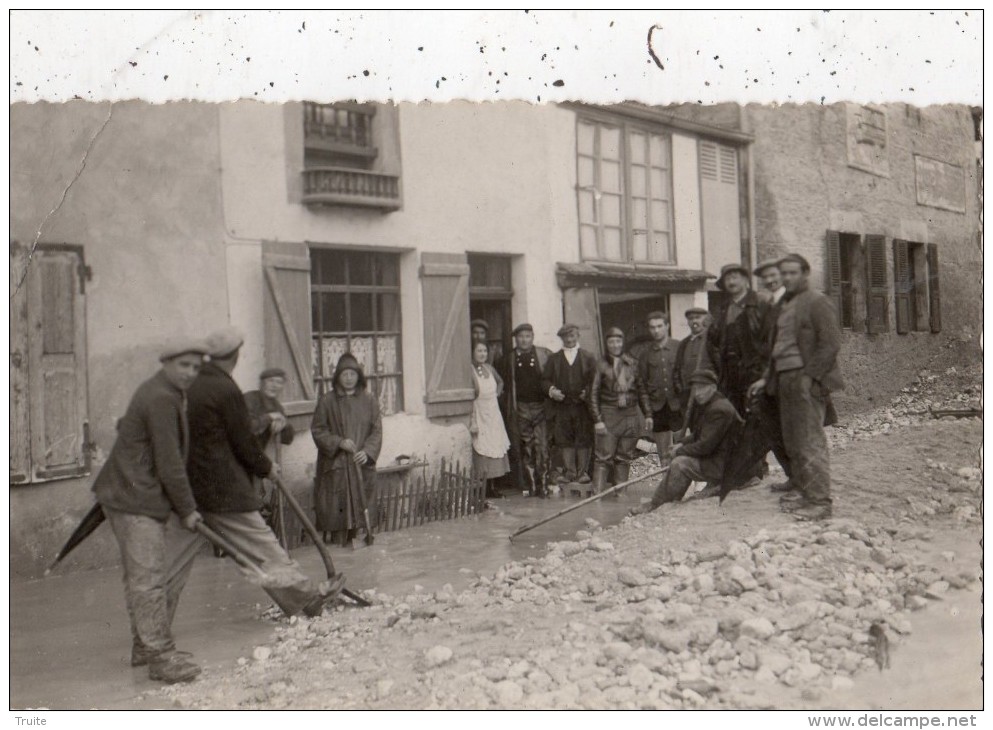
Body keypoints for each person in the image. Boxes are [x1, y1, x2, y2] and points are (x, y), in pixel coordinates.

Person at [185, 327, 344, 613]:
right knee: (263, 547)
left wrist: (280, 425)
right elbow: (243, 438)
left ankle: (151, 633)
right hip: (224, 485)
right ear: (235, 356)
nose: (274, 386)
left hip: (190, 488)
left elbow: (280, 435)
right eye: (270, 381)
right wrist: (266, 466)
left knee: (172, 565)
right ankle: (306, 599)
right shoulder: (229, 390)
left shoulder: (194, 385)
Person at [92, 337, 208, 684]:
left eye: (196, 367)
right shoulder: (160, 397)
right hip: (134, 498)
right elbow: (169, 462)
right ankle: (160, 657)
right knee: (149, 578)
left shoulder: (163, 391)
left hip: (128, 494)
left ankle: (145, 647)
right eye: (184, 365)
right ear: (166, 363)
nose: (190, 372)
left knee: (142, 577)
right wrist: (187, 509)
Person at [748, 254, 843, 521]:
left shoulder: (817, 301)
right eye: (784, 273)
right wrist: (766, 379)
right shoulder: (786, 305)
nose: (787, 278)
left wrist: (809, 377)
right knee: (793, 442)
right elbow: (777, 349)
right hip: (784, 379)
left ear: (805, 273)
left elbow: (830, 344)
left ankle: (820, 502)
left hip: (805, 379)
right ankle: (805, 492)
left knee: (810, 442)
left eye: (792, 273)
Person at [630, 370, 741, 515]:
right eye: (696, 389)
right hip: (725, 459)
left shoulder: (718, 410)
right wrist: (682, 443)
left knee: (680, 464)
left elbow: (705, 447)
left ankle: (658, 504)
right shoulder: (714, 403)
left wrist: (679, 451)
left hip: (727, 465)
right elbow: (700, 434)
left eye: (702, 388)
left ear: (713, 387)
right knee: (681, 458)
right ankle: (662, 500)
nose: (698, 393)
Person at [312, 353, 383, 547]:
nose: (349, 378)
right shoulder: (327, 401)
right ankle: (339, 546)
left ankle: (361, 543)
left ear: (359, 376)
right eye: (345, 374)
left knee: (362, 510)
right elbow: (318, 430)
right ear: (338, 377)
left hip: (361, 464)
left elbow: (377, 430)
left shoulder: (369, 400)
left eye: (353, 374)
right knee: (338, 513)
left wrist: (367, 452)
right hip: (337, 465)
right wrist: (338, 442)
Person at [707, 263, 773, 418]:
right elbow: (715, 344)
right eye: (727, 279)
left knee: (759, 416)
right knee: (735, 417)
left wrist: (766, 373)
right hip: (730, 373)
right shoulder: (723, 309)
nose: (731, 282)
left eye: (735, 277)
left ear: (745, 280)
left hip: (755, 371)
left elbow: (771, 339)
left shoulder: (760, 303)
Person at [497, 323, 551, 497]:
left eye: (527, 336)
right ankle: (531, 483)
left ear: (532, 337)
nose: (524, 340)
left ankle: (544, 483)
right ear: (516, 339)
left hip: (540, 407)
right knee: (527, 446)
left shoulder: (544, 354)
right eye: (521, 337)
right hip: (521, 407)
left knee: (542, 445)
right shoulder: (509, 359)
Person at [542, 323, 597, 493]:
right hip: (562, 406)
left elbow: (596, 380)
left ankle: (582, 473)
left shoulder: (588, 357)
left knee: (584, 438)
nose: (569, 339)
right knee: (564, 439)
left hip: (582, 406)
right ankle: (570, 472)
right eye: (566, 336)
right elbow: (545, 380)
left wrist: (587, 392)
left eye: (572, 336)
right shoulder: (554, 359)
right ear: (561, 338)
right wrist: (552, 391)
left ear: (578, 336)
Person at [589, 327, 644, 495]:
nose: (615, 345)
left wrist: (648, 414)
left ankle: (621, 495)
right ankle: (597, 496)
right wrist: (598, 420)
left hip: (629, 414)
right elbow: (592, 394)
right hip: (609, 413)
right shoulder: (600, 365)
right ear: (606, 344)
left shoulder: (632, 363)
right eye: (611, 342)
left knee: (624, 457)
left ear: (623, 342)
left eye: (618, 341)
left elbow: (641, 390)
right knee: (603, 458)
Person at [244, 367, 295, 528]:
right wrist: (269, 417)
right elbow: (247, 427)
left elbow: (287, 439)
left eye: (279, 382)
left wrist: (284, 425)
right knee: (241, 505)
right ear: (262, 383)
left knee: (254, 504)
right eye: (270, 381)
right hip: (236, 458)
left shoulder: (277, 406)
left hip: (255, 461)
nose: (274, 385)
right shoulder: (249, 399)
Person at [636, 311, 682, 467]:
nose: (656, 330)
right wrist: (648, 413)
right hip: (658, 408)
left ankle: (687, 482)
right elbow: (641, 386)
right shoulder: (645, 354)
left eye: (659, 326)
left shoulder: (679, 347)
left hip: (678, 407)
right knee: (664, 455)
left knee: (684, 450)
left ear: (667, 326)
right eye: (652, 327)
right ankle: (668, 481)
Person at [468, 341, 512, 497]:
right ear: (472, 353)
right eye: (479, 351)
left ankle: (492, 486)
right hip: (479, 412)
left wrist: (497, 394)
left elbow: (500, 382)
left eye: (484, 351)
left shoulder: (490, 368)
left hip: (493, 413)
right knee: (482, 448)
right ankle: (483, 488)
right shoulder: (469, 370)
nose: (482, 354)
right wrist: (473, 419)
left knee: (495, 445)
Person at [672, 307, 715, 414]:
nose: (694, 321)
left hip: (710, 395)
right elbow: (677, 370)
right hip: (688, 396)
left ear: (706, 319)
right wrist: (681, 391)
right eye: (691, 318)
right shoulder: (684, 344)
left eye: (698, 317)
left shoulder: (712, 341)